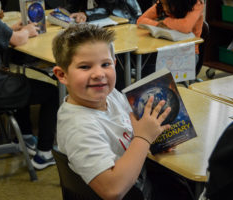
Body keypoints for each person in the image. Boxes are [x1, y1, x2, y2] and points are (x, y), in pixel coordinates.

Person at [53, 24, 193, 199]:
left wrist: (154, 138)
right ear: (62, 75)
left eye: (106, 64)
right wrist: (144, 138)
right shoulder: (78, 127)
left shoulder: (110, 95)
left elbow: (133, 128)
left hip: (141, 178)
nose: (99, 74)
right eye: (85, 67)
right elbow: (112, 190)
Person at [0, 0, 59, 170]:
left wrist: (10, 29)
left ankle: (26, 137)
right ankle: (45, 152)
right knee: (52, 92)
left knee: (18, 81)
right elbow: (18, 40)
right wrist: (26, 31)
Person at [137, 0, 204, 81]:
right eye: (162, 4)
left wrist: (166, 22)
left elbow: (185, 27)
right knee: (145, 60)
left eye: (167, 4)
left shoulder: (196, 3)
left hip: (188, 53)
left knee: (151, 70)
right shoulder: (163, 2)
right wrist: (157, 25)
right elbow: (140, 20)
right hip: (164, 50)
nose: (164, 8)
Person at [65, 0, 142, 24]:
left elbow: (106, 8)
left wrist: (86, 14)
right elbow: (73, 6)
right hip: (107, 23)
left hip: (127, 22)